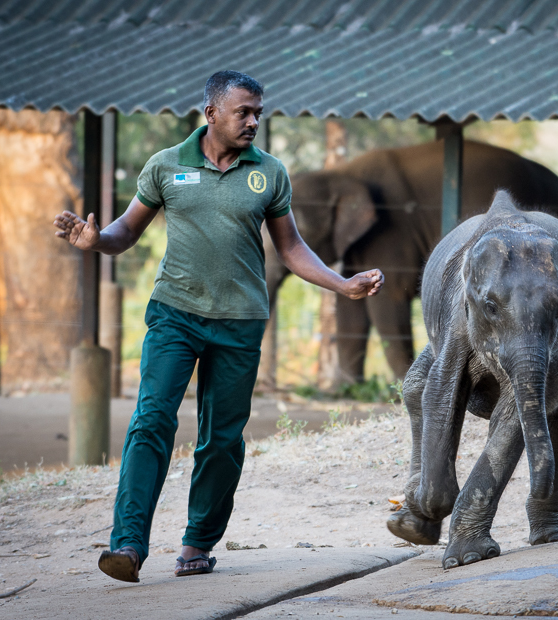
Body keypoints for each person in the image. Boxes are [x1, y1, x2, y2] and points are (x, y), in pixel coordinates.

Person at [53, 70, 383, 582]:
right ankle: (127, 544)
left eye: (258, 112)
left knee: (222, 438)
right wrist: (95, 241)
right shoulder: (166, 166)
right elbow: (125, 232)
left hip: (241, 321)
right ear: (211, 115)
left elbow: (291, 248)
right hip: (175, 315)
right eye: (243, 112)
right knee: (151, 420)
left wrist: (342, 284)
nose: (254, 121)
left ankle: (197, 544)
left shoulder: (269, 173)